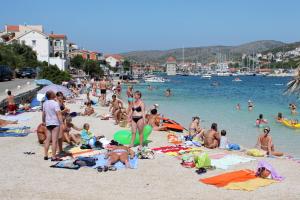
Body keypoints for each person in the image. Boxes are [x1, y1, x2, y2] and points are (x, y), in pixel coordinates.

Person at [42, 90, 63, 161]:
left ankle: (45, 155)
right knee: (54, 140)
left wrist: (43, 121)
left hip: (48, 123)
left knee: (47, 139)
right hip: (55, 123)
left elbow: (43, 114)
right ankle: (53, 157)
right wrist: (61, 123)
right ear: (51, 95)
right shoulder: (55, 103)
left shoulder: (44, 103)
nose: (54, 93)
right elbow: (58, 114)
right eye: (53, 93)